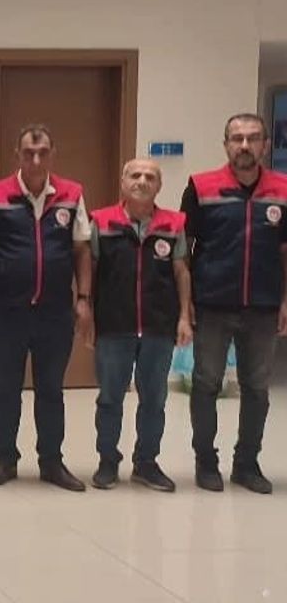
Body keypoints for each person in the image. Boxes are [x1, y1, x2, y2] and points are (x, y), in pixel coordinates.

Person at [0, 124, 92, 492]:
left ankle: (51, 462)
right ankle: (5, 459)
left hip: (55, 312)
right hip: (7, 311)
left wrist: (83, 299)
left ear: (53, 154)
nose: (35, 160)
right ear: (17, 155)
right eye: (28, 153)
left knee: (51, 389)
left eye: (42, 153)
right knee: (6, 388)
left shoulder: (72, 194)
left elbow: (81, 249)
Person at [181, 113, 287, 494]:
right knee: (206, 383)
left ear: (265, 144)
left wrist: (285, 300)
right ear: (225, 144)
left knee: (256, 388)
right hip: (212, 303)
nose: (244, 145)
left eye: (253, 138)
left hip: (263, 305)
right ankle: (206, 463)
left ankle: (246, 464)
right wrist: (185, 304)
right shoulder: (201, 186)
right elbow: (183, 251)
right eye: (237, 138)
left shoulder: (283, 189)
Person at [88, 159, 190, 492]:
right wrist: (87, 314)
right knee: (109, 398)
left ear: (159, 186)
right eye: (135, 175)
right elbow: (90, 270)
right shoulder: (101, 221)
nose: (142, 181)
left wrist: (184, 317)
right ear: (123, 182)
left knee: (154, 399)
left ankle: (146, 463)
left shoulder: (174, 223)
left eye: (150, 177)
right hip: (113, 325)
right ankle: (107, 461)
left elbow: (181, 272)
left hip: (159, 327)